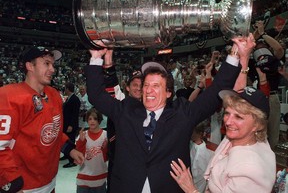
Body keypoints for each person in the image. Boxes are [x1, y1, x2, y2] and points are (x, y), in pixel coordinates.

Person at [84, 34, 255, 193]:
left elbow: (217, 90)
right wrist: (96, 57)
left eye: (156, 86)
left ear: (168, 93)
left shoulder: (183, 113)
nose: (149, 90)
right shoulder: (126, 110)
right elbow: (96, 95)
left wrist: (234, 54)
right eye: (146, 85)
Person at [0, 46, 84, 192]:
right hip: (24, 186)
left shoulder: (53, 95)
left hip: (49, 180)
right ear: (29, 66)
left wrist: (69, 149)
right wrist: (12, 182)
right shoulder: (9, 96)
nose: (52, 69)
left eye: (53, 64)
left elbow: (53, 132)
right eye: (46, 63)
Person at [170, 86, 276, 193]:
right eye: (227, 113)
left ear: (257, 125)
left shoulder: (250, 169)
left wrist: (190, 189)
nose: (228, 122)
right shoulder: (239, 137)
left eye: (238, 117)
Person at [102, 49, 143, 192]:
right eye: (135, 85)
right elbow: (111, 84)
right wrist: (108, 60)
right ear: (127, 87)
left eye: (141, 86)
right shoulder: (121, 102)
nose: (138, 89)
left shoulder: (151, 107)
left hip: (140, 165)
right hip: (118, 162)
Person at [251, 20, 284, 149]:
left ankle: (272, 159)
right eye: (257, 44)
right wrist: (257, 32)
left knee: (273, 132)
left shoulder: (273, 59)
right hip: (259, 97)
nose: (259, 46)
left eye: (262, 44)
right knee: (259, 132)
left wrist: (263, 33)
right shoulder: (253, 61)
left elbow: (279, 49)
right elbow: (249, 43)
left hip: (272, 96)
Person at [76, 108, 108, 193]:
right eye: (90, 119)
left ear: (99, 120)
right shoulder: (83, 135)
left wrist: (105, 148)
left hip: (100, 179)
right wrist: (81, 142)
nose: (92, 121)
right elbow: (78, 158)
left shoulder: (105, 135)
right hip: (83, 178)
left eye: (95, 118)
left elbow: (106, 158)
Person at [62, 82, 81, 168]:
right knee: (66, 140)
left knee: (70, 141)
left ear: (68, 89)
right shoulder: (69, 98)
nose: (64, 90)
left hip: (70, 125)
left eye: (65, 88)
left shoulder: (75, 99)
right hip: (66, 124)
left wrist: (71, 125)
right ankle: (66, 155)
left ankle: (72, 160)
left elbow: (75, 114)